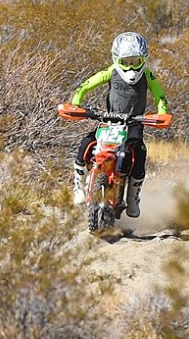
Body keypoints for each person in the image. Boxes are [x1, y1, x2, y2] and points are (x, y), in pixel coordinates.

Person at [68, 30, 170, 218]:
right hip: (109, 121)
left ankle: (133, 198)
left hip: (134, 123)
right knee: (86, 144)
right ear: (117, 60)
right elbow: (85, 86)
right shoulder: (110, 72)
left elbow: (160, 97)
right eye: (126, 62)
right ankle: (78, 187)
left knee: (139, 153)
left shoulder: (148, 76)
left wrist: (162, 113)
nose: (131, 68)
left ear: (143, 59)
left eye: (135, 62)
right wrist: (76, 103)